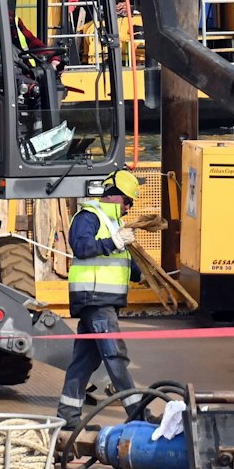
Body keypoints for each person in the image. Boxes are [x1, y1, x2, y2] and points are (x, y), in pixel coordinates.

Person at [56, 169, 143, 427]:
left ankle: (68, 417)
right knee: (115, 356)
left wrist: (142, 275)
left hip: (101, 301)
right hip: (95, 300)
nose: (129, 208)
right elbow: (82, 247)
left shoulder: (113, 224)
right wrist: (114, 241)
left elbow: (121, 259)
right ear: (118, 197)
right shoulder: (88, 216)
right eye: (129, 202)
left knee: (84, 361)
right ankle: (139, 416)